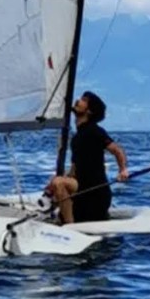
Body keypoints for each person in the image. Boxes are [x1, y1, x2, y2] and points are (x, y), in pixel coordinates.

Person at [45, 91, 129, 224]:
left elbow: (117, 150)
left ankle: (69, 226)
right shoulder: (77, 138)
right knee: (56, 181)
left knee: (59, 182)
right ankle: (63, 215)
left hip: (95, 193)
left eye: (84, 100)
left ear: (89, 111)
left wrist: (123, 170)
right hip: (81, 191)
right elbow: (74, 169)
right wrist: (53, 185)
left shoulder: (95, 131)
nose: (78, 101)